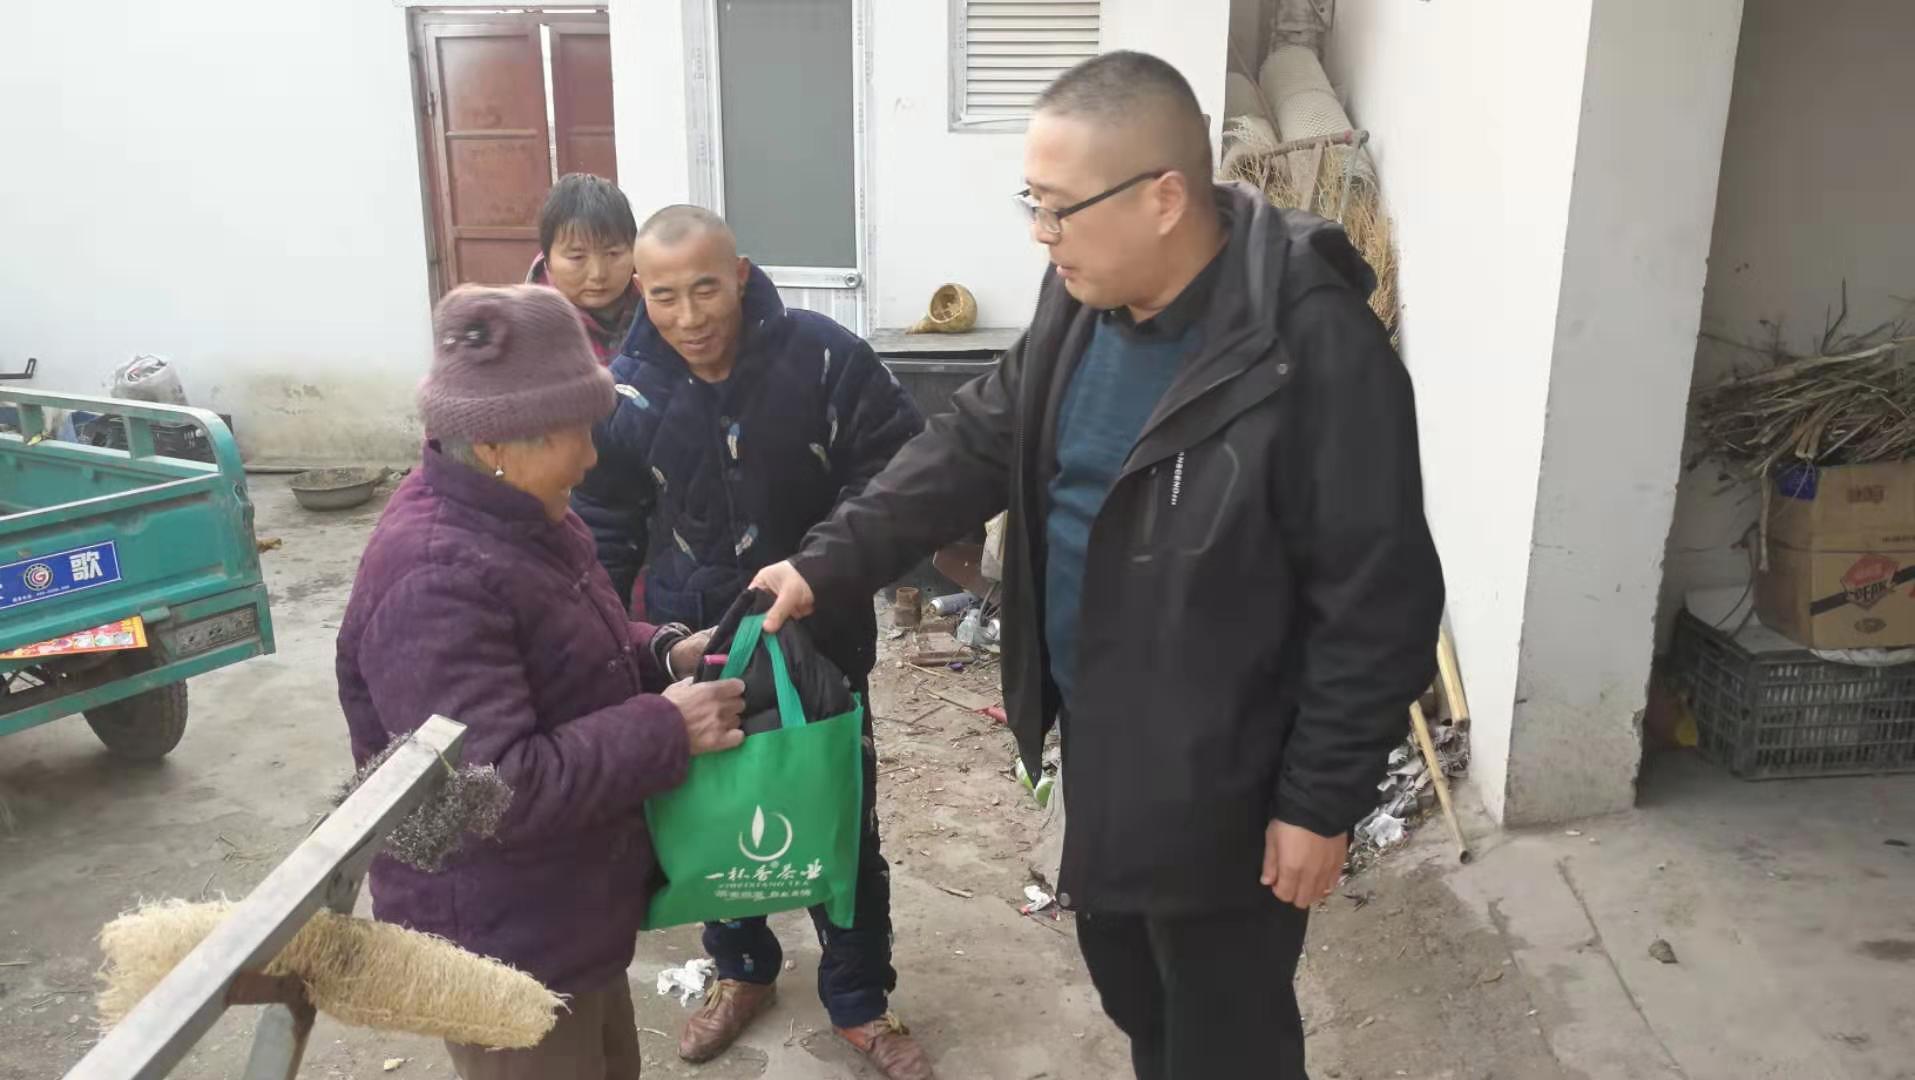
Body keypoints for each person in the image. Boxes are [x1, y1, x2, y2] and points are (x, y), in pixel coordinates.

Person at [746, 51, 1445, 1080]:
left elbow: (1377, 602)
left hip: (1233, 768)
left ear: (1163, 198)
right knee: (1129, 981)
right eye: (1031, 201)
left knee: (1226, 1033)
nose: (1040, 231)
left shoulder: (1312, 349)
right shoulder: (1078, 305)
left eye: (1058, 206)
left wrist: (1317, 803)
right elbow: (975, 440)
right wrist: (825, 564)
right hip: (1101, 739)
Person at [336, 283, 747, 1080]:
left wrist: (664, 654)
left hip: (562, 912)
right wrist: (666, 727)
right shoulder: (433, 577)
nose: (591, 458)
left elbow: (564, 655)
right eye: (576, 434)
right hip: (497, 945)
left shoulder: (522, 514)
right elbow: (493, 787)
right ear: (497, 440)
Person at [570, 205, 931, 1079]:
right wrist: (614, 641)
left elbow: (897, 473)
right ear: (639, 292)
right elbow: (605, 525)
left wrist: (823, 562)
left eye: (705, 288)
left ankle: (859, 999)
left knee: (838, 816)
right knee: (711, 812)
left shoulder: (823, 357)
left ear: (739, 274)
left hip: (820, 638)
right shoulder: (624, 394)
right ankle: (742, 972)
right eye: (664, 296)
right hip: (699, 647)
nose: (688, 316)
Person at [528, 173, 643, 364]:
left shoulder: (655, 305)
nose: (598, 274)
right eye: (577, 257)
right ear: (548, 260)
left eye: (613, 254)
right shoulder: (526, 329)